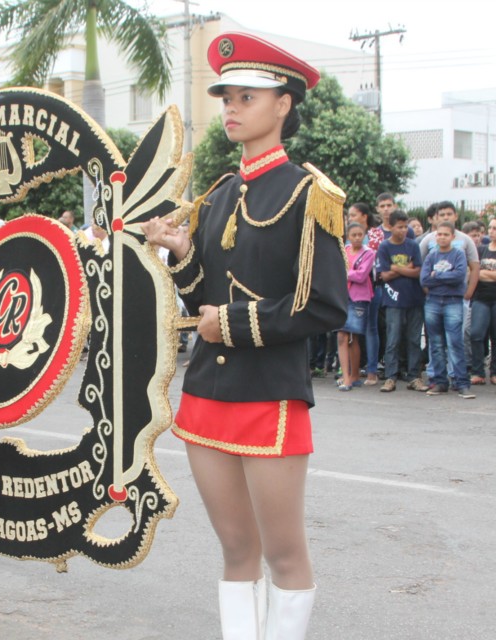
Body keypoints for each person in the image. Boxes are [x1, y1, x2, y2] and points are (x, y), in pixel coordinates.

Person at [143, 33, 347, 640]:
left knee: (283, 553)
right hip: (207, 390)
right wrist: (181, 256)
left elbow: (324, 306)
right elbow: (202, 294)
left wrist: (230, 322)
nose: (231, 107)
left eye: (247, 96)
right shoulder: (219, 194)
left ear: (283, 104)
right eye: (227, 97)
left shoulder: (310, 195)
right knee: (235, 549)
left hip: (270, 395)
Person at [420, 222, 474, 398]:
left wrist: (438, 276)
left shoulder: (458, 254)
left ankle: (461, 382)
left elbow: (459, 276)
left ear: (452, 237)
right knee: (435, 344)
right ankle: (439, 382)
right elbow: (424, 280)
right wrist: (442, 278)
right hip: (433, 302)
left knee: (454, 342)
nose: (442, 237)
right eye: (439, 234)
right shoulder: (431, 256)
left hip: (453, 302)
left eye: (445, 234)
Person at [376, 211, 426, 392]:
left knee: (413, 339)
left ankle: (414, 376)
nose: (404, 230)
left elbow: (418, 271)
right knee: (393, 339)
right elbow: (384, 275)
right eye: (400, 226)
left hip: (414, 298)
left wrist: (396, 268)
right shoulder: (384, 247)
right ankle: (391, 377)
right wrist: (406, 268)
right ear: (391, 227)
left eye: (406, 227)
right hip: (393, 300)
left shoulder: (413, 245)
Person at [469, 216, 496, 385]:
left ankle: (494, 372)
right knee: (476, 333)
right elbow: (473, 273)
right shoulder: (480, 250)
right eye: (490, 228)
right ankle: (478, 372)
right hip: (481, 298)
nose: (492, 232)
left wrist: (484, 274)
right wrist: (495, 275)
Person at [337, 222, 375, 390]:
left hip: (359, 298)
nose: (358, 238)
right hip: (342, 296)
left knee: (354, 338)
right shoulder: (343, 251)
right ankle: (345, 377)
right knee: (341, 336)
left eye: (360, 234)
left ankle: (354, 375)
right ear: (348, 236)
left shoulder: (368, 253)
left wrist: (345, 273)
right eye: (354, 235)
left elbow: (361, 276)